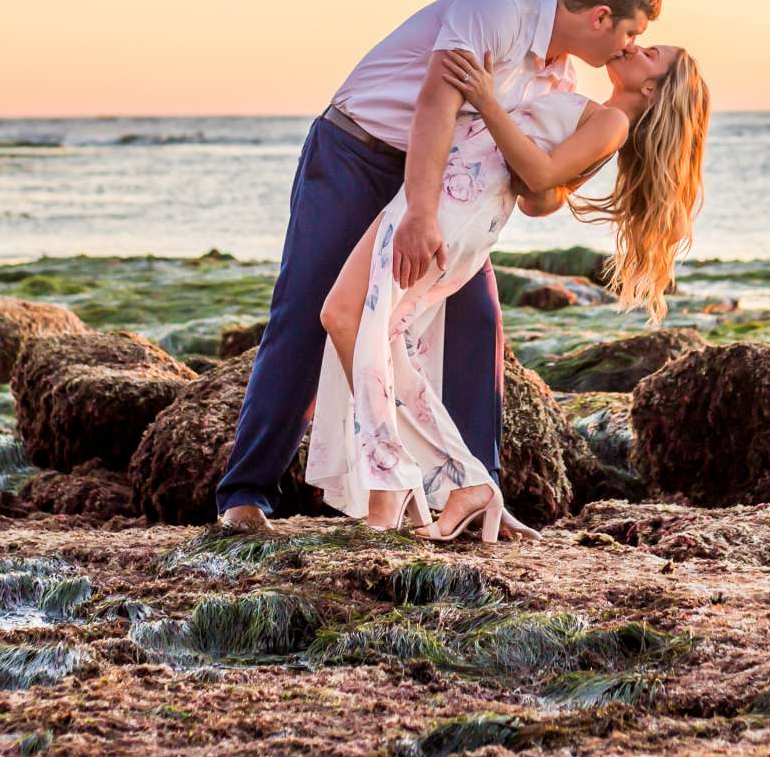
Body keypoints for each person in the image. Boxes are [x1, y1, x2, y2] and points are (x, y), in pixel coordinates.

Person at [212, 0, 662, 534]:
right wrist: (420, 214)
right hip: (358, 153)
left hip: (440, 190)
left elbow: (531, 186)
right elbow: (435, 103)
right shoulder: (494, 9)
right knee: (307, 313)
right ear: (601, 16)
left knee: (478, 325)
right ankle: (245, 493)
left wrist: (571, 169)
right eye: (629, 32)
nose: (627, 47)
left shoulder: (562, 82)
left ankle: (477, 492)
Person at [304, 35, 710, 540]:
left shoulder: (613, 123)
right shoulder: (598, 115)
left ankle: (405, 482)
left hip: (455, 207)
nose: (635, 47)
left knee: (351, 322)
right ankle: (452, 482)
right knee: (366, 330)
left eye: (650, 53)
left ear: (653, 88)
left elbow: (538, 172)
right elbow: (541, 195)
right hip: (445, 196)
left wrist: (486, 98)